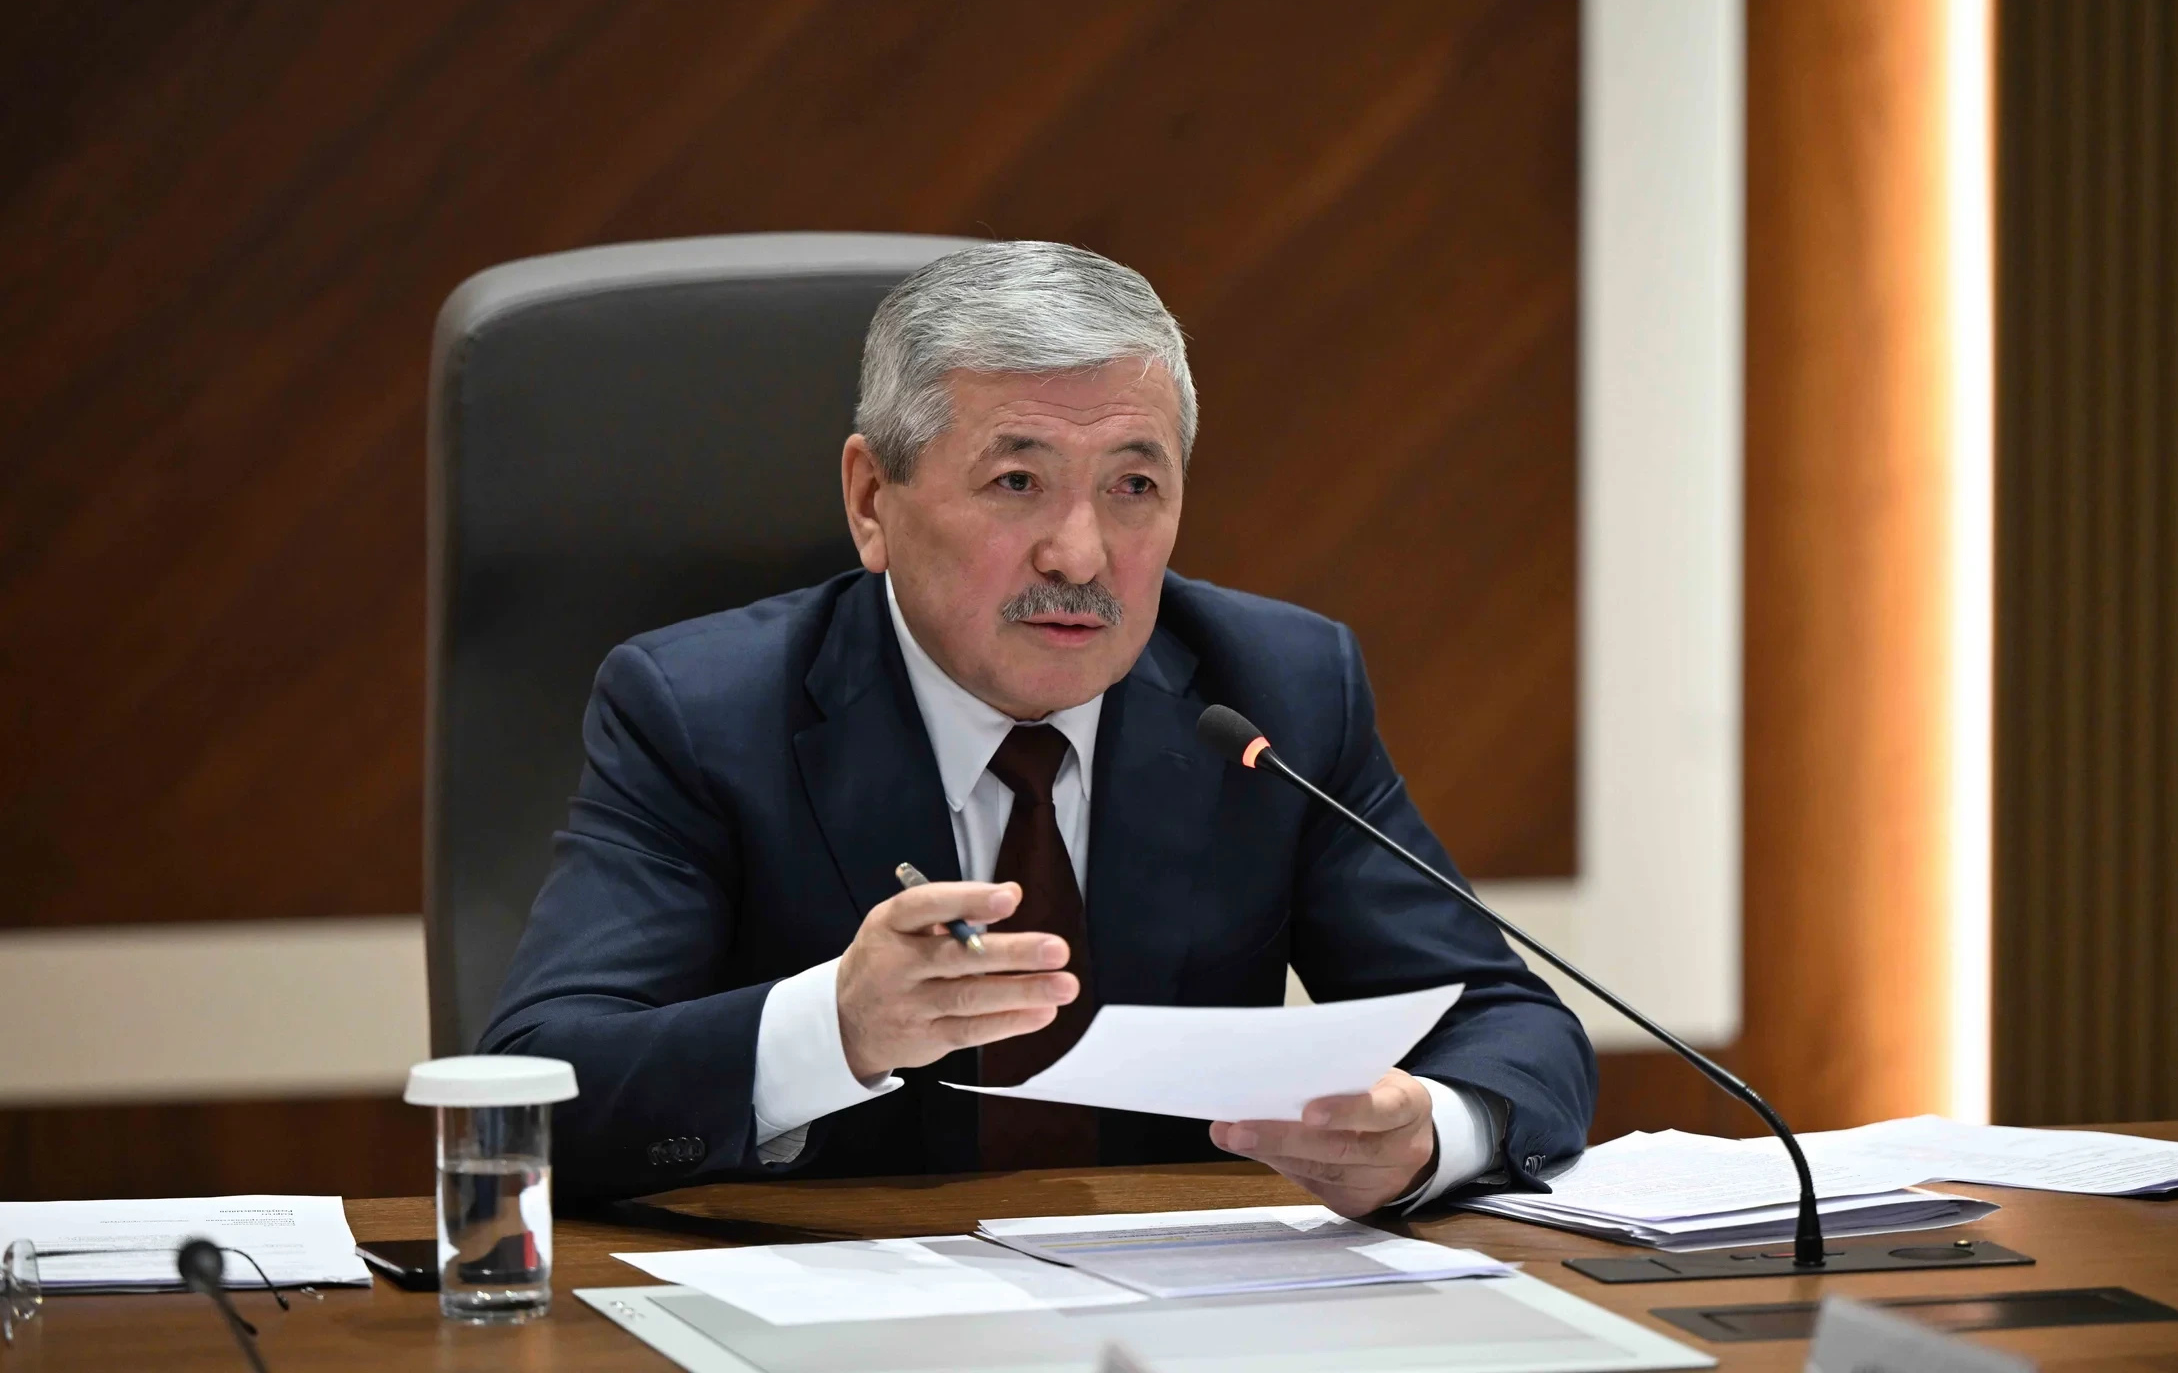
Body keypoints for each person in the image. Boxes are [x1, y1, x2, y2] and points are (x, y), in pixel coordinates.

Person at [481, 241, 1595, 1214]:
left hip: (1178, 1321)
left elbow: (1509, 1024)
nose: (1080, 554)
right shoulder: (701, 711)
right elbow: (536, 1086)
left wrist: (1430, 1134)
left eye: (1133, 487)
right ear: (871, 501)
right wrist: (838, 1027)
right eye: (1018, 481)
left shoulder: (1276, 693)